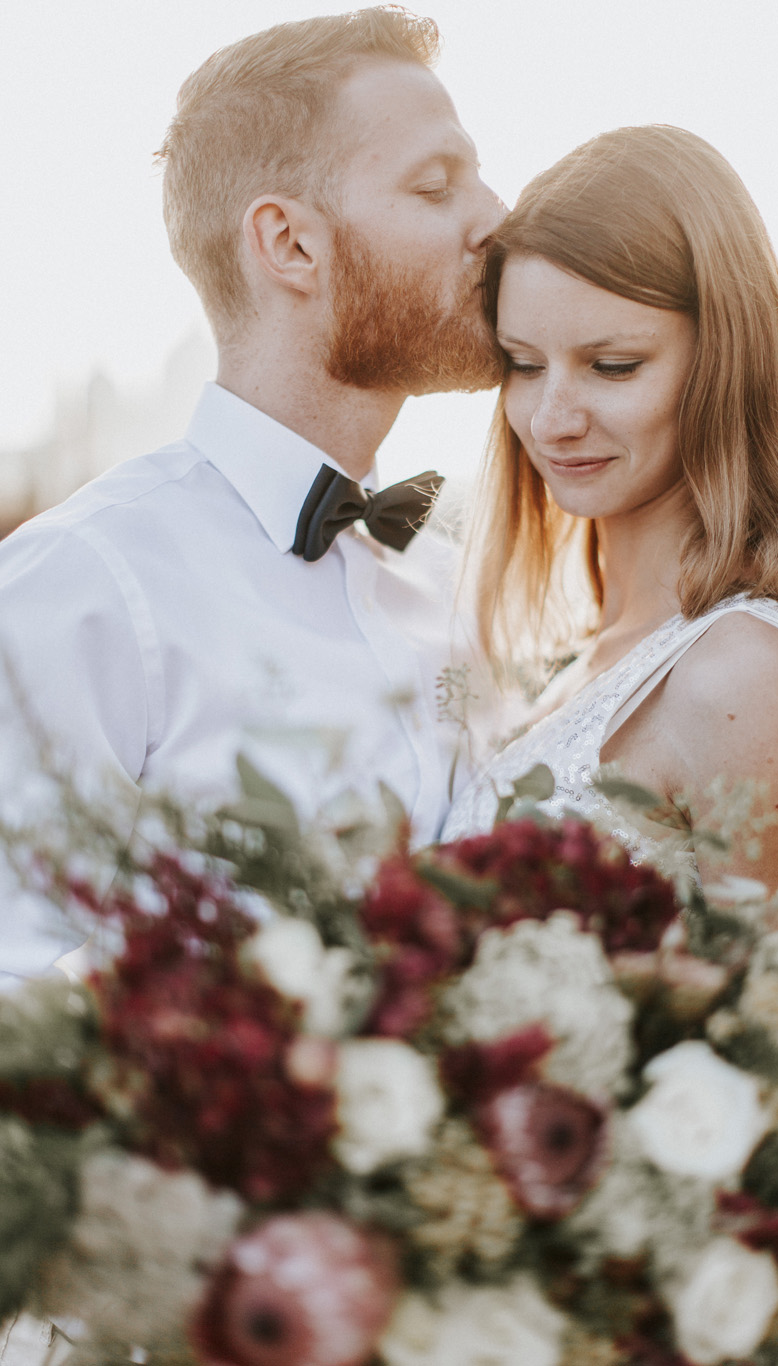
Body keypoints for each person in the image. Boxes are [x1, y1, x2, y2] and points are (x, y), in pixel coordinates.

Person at [0, 7, 503, 986]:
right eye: (436, 183)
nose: (494, 214)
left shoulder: (453, 590)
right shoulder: (80, 590)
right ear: (289, 244)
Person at [443, 125, 778, 937]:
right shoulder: (572, 657)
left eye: (612, 366)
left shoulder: (747, 675)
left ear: (722, 360)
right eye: (523, 365)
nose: (551, 419)